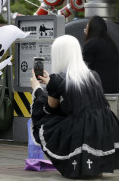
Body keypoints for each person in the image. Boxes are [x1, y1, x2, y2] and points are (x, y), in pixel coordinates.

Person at [30, 35, 119, 178]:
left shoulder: (58, 79)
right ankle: (96, 166)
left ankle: (76, 167)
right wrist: (50, 83)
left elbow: (49, 108)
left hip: (81, 128)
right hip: (105, 126)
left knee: (46, 121)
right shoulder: (93, 75)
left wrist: (37, 89)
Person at [83, 15, 119, 93]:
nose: (85, 30)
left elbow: (83, 67)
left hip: (98, 90)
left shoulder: (91, 44)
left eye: (87, 27)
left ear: (92, 28)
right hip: (113, 89)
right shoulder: (111, 44)